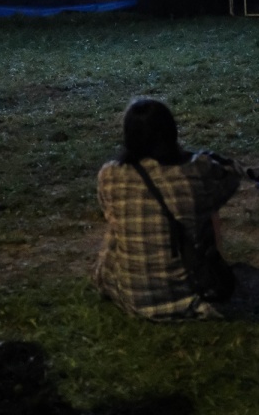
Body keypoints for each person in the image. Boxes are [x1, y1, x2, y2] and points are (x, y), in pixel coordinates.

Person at [93, 98, 242, 320]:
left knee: (120, 221)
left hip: (130, 295)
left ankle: (136, 272)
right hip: (190, 294)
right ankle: (205, 271)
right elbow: (232, 175)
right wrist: (202, 158)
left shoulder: (110, 174)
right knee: (206, 209)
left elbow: (107, 209)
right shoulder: (195, 170)